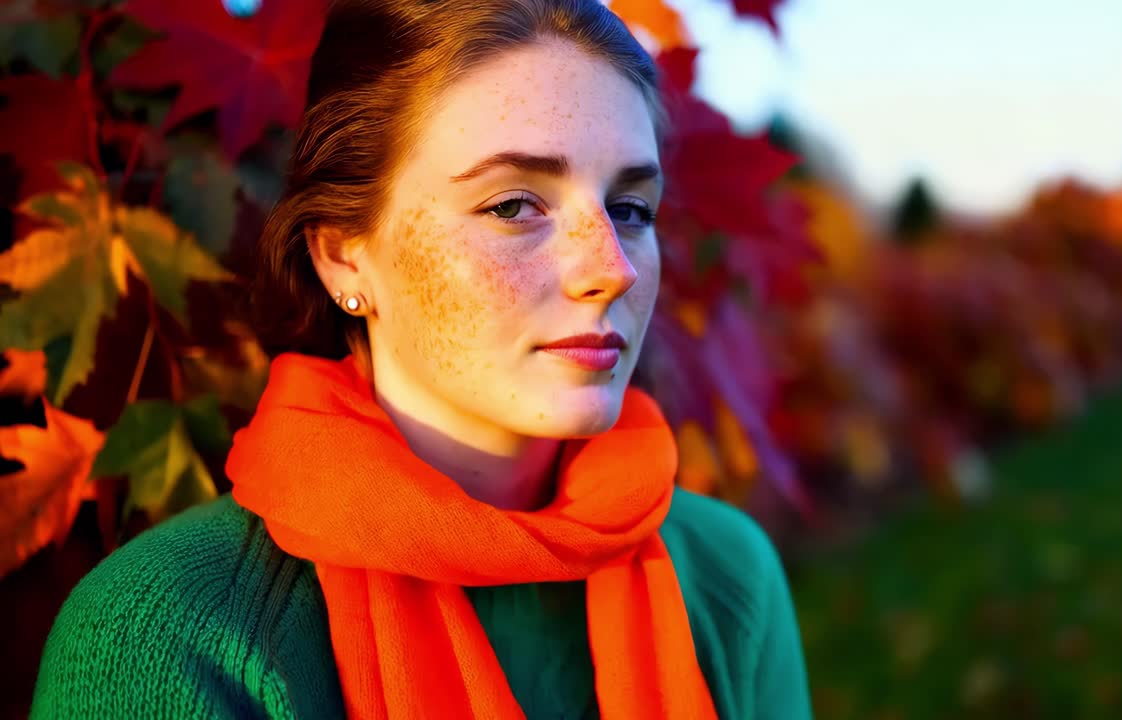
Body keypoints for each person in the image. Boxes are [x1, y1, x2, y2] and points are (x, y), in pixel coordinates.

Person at [31, 0, 812, 717]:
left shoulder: (727, 579)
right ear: (344, 255)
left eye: (630, 209)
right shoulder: (171, 634)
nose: (612, 268)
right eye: (513, 205)